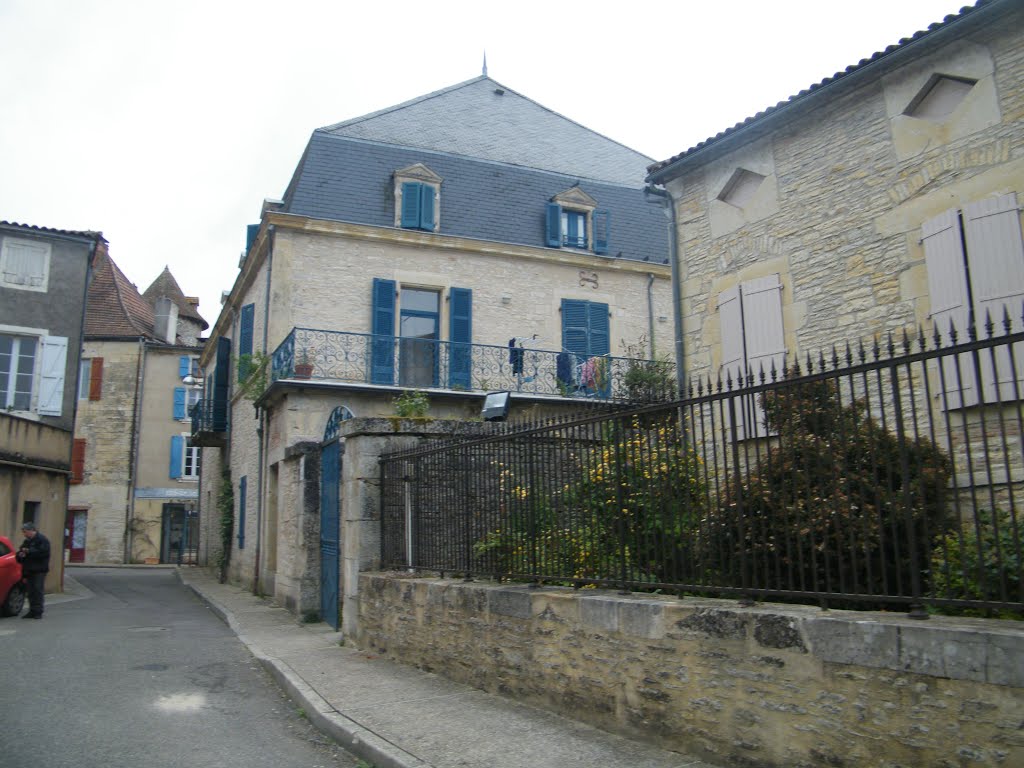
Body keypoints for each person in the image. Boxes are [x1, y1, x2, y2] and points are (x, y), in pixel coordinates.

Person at [16, 522, 50, 619]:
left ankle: (38, 612)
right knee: (30, 591)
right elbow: (20, 551)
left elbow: (43, 553)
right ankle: (32, 611)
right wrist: (20, 555)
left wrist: (29, 552)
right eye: (23, 532)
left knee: (37, 590)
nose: (24, 534)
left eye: (25, 532)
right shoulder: (27, 541)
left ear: (32, 530)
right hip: (29, 570)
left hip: (39, 570)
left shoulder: (42, 540)